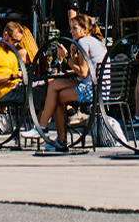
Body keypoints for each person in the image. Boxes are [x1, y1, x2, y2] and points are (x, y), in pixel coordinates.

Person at [36, 14, 106, 150]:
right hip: (100, 87)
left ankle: (51, 133)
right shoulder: (95, 41)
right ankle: (44, 128)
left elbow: (83, 72)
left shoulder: (83, 42)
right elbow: (84, 71)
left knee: (56, 96)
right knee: (54, 85)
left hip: (93, 90)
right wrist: (70, 55)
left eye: (74, 28)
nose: (71, 31)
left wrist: (66, 57)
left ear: (84, 29)